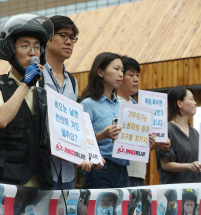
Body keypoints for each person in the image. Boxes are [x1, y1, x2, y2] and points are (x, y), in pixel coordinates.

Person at [0, 14, 54, 189]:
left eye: (37, 47)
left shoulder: (43, 95)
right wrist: (26, 83)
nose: (32, 52)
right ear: (10, 50)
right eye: (25, 45)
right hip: (3, 182)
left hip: (39, 183)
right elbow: (0, 119)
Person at [42, 15, 93, 190]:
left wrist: (90, 152)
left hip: (68, 173)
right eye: (63, 35)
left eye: (72, 38)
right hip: (42, 169)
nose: (69, 42)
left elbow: (75, 124)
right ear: (47, 39)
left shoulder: (72, 81)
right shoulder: (35, 74)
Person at [80, 52, 128, 189]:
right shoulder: (88, 104)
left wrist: (142, 140)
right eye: (116, 69)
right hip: (100, 168)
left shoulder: (122, 106)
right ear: (100, 72)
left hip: (123, 170)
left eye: (122, 70)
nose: (121, 74)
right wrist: (102, 135)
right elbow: (80, 143)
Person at [116, 56, 160, 186]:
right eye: (131, 75)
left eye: (138, 75)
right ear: (120, 76)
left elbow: (138, 147)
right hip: (121, 174)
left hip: (139, 175)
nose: (136, 79)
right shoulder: (113, 104)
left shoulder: (139, 109)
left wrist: (156, 144)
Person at [156, 86, 201, 184]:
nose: (195, 102)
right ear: (179, 103)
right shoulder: (166, 129)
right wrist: (188, 166)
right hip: (174, 194)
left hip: (195, 192)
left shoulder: (195, 133)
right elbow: (165, 165)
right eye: (191, 99)